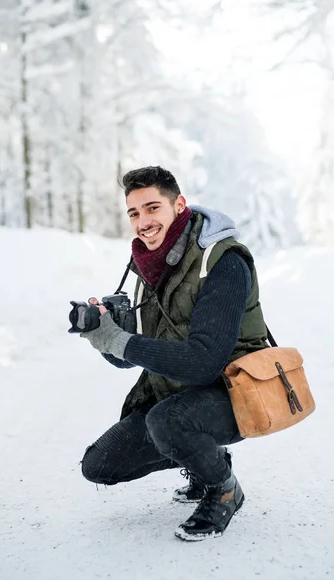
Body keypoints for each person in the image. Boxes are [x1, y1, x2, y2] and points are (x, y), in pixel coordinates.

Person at [74, 165, 268, 541]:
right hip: (176, 394)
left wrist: (121, 341)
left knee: (168, 420)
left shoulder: (223, 261)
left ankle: (224, 489)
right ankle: (204, 459)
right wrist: (105, 335)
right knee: (98, 466)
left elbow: (204, 361)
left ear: (178, 205)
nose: (142, 221)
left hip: (235, 393)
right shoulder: (153, 265)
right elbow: (128, 358)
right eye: (133, 213)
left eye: (152, 208)